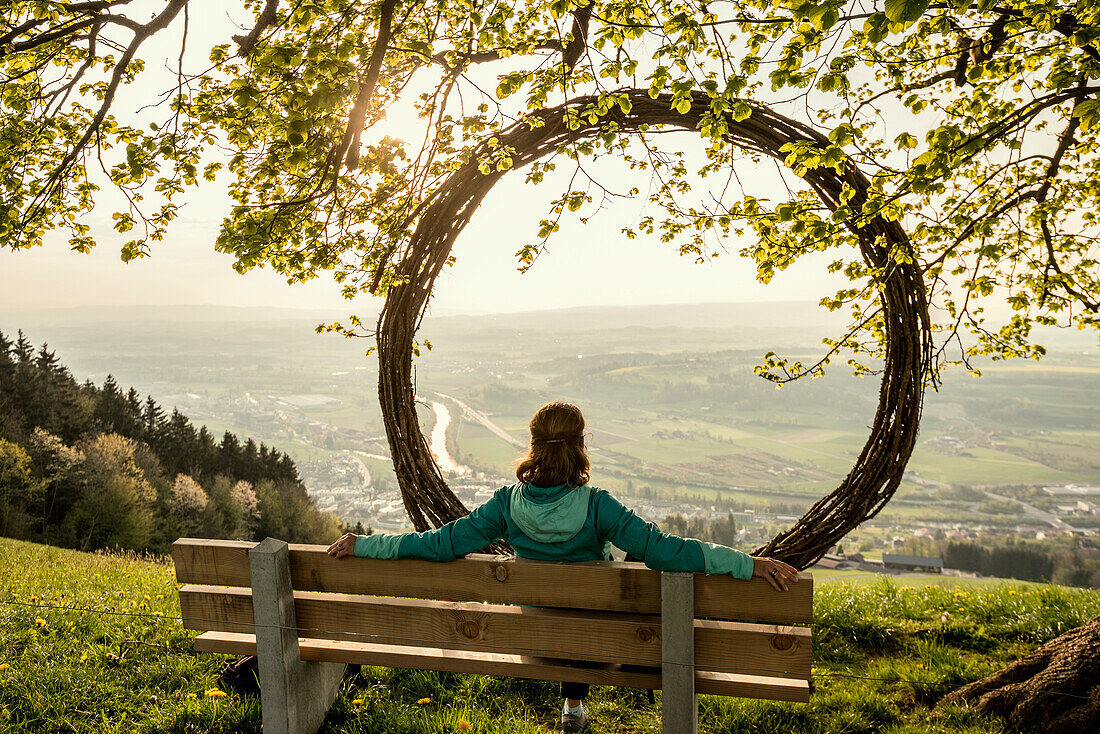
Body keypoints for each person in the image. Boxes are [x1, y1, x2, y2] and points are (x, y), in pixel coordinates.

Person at [328, 401, 799, 733]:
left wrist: (368, 545)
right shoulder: (598, 506)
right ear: (581, 445)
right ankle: (578, 702)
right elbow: (667, 552)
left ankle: (571, 705)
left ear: (533, 446)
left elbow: (437, 544)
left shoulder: (504, 507)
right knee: (627, 578)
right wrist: (747, 563)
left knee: (555, 610)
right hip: (606, 645)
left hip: (533, 642)